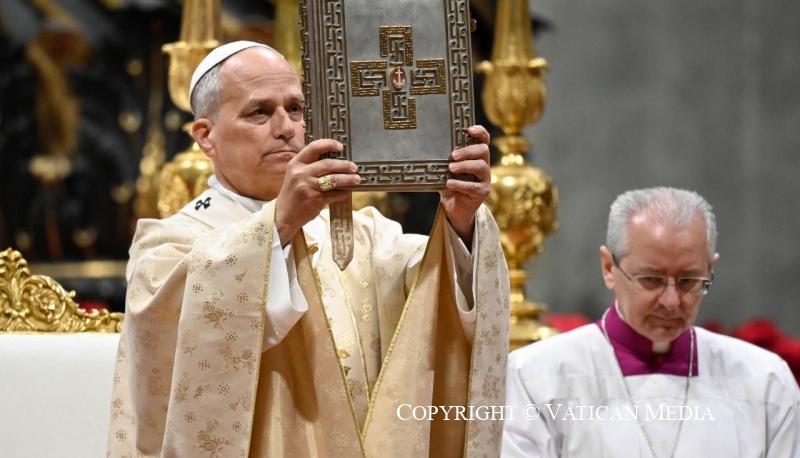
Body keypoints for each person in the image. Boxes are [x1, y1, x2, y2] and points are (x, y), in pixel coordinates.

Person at [106, 40, 510, 457]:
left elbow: (436, 298)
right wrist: (280, 224)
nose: (286, 128)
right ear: (206, 137)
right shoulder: (170, 243)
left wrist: (460, 219)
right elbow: (173, 359)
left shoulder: (360, 232)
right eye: (259, 111)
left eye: (295, 109)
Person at [502, 187, 800, 457]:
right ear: (609, 268)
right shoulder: (536, 378)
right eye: (651, 279)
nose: (671, 301)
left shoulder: (765, 380)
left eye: (688, 281)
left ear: (711, 269)